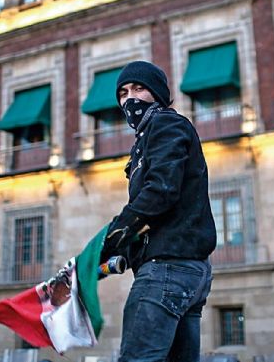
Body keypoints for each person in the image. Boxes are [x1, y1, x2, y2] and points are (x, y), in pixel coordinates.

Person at [100, 60, 217, 362]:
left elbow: (161, 190)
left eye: (139, 88)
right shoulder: (146, 137)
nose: (130, 98)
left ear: (158, 94)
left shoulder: (165, 123)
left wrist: (114, 234)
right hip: (186, 271)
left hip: (168, 269)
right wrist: (125, 252)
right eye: (123, 92)